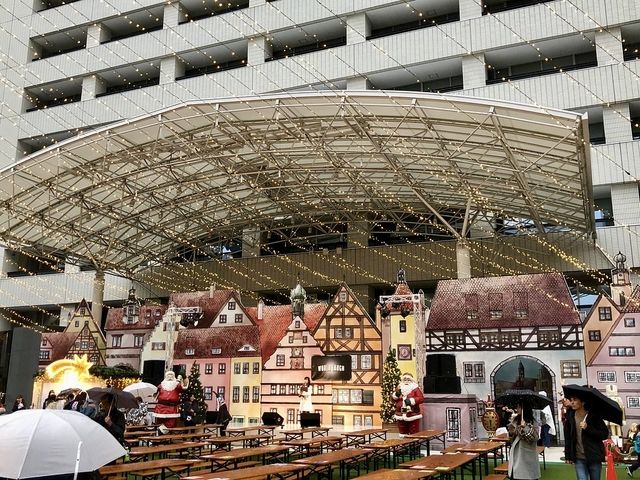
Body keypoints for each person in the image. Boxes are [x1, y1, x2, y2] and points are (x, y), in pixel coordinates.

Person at [564, 395, 610, 480]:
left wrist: (588, 428)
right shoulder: (570, 417)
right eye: (571, 400)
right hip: (579, 458)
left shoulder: (594, 416)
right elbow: (568, 438)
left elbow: (604, 434)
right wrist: (568, 455)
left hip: (594, 457)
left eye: (575, 399)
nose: (572, 402)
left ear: (582, 402)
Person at [507, 401, 540, 480]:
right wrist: (511, 432)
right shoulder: (515, 420)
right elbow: (512, 438)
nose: (517, 409)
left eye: (519, 407)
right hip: (516, 455)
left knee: (527, 476)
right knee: (516, 475)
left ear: (524, 408)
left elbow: (534, 438)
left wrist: (525, 427)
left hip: (527, 455)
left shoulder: (532, 421)